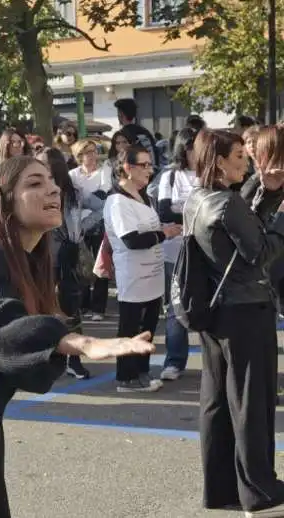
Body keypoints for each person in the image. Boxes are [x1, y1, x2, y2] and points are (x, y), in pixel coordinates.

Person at [0, 156, 155, 518]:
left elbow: (9, 353)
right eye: (34, 183)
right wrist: (78, 342)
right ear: (2, 200)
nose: (52, 189)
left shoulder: (25, 259)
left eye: (51, 181)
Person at [187, 128, 284, 517]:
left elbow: (243, 225)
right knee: (251, 403)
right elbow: (261, 251)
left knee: (217, 403)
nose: (248, 163)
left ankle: (222, 488)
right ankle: (261, 493)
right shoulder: (227, 204)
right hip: (245, 311)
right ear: (220, 160)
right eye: (240, 157)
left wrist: (271, 192)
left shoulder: (199, 199)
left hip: (215, 312)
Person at [104, 146, 174, 392]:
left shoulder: (144, 196)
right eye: (143, 165)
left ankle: (142, 372)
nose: (149, 170)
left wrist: (163, 232)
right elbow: (132, 241)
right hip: (133, 275)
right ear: (127, 168)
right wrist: (163, 234)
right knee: (131, 327)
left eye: (150, 164)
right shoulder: (117, 201)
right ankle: (126, 377)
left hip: (152, 275)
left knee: (148, 326)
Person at [38, 147, 104, 380]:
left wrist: (82, 229)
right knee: (45, 306)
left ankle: (72, 360)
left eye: (44, 166)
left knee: (70, 308)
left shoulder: (73, 192)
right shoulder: (38, 193)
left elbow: (102, 208)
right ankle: (51, 358)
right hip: (44, 254)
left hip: (67, 254)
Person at [156, 128, 198, 381]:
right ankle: (174, 361)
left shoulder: (211, 173)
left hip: (206, 248)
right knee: (175, 307)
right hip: (175, 250)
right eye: (194, 146)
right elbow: (164, 212)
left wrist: (180, 208)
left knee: (211, 304)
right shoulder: (170, 176)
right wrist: (196, 210)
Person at [69, 139, 111, 322]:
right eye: (88, 152)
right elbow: (72, 199)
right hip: (79, 226)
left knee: (101, 266)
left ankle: (98, 308)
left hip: (100, 224)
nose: (92, 155)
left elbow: (103, 196)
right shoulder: (72, 174)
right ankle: (83, 304)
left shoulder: (105, 171)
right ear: (80, 155)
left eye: (95, 151)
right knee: (82, 265)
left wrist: (83, 198)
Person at [114, 98, 159, 171]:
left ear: (121, 114)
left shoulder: (121, 135)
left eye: (118, 113)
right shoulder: (145, 132)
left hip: (133, 176)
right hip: (150, 173)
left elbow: (119, 161)